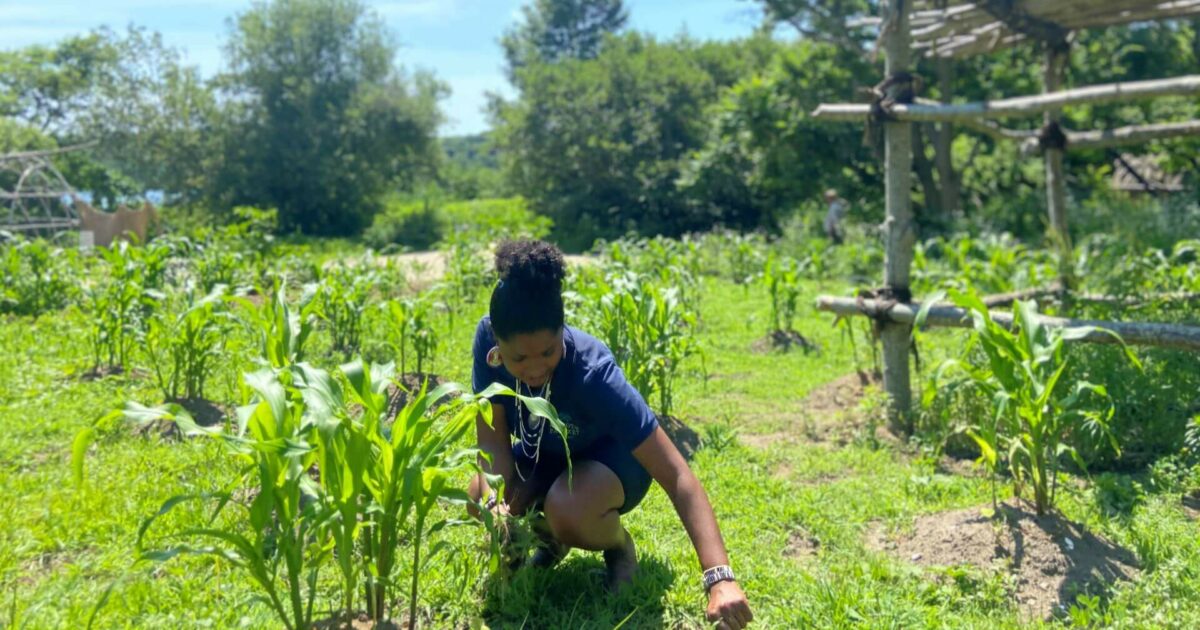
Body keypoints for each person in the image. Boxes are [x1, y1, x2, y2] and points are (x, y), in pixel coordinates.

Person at [467, 239, 754, 629]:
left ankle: (618, 546)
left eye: (548, 352)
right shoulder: (486, 338)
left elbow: (677, 475)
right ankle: (552, 541)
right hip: (547, 454)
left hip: (612, 465)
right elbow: (491, 441)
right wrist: (497, 505)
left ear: (562, 331)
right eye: (519, 358)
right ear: (497, 342)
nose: (534, 368)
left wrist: (720, 579)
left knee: (568, 507)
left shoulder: (593, 374)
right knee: (478, 492)